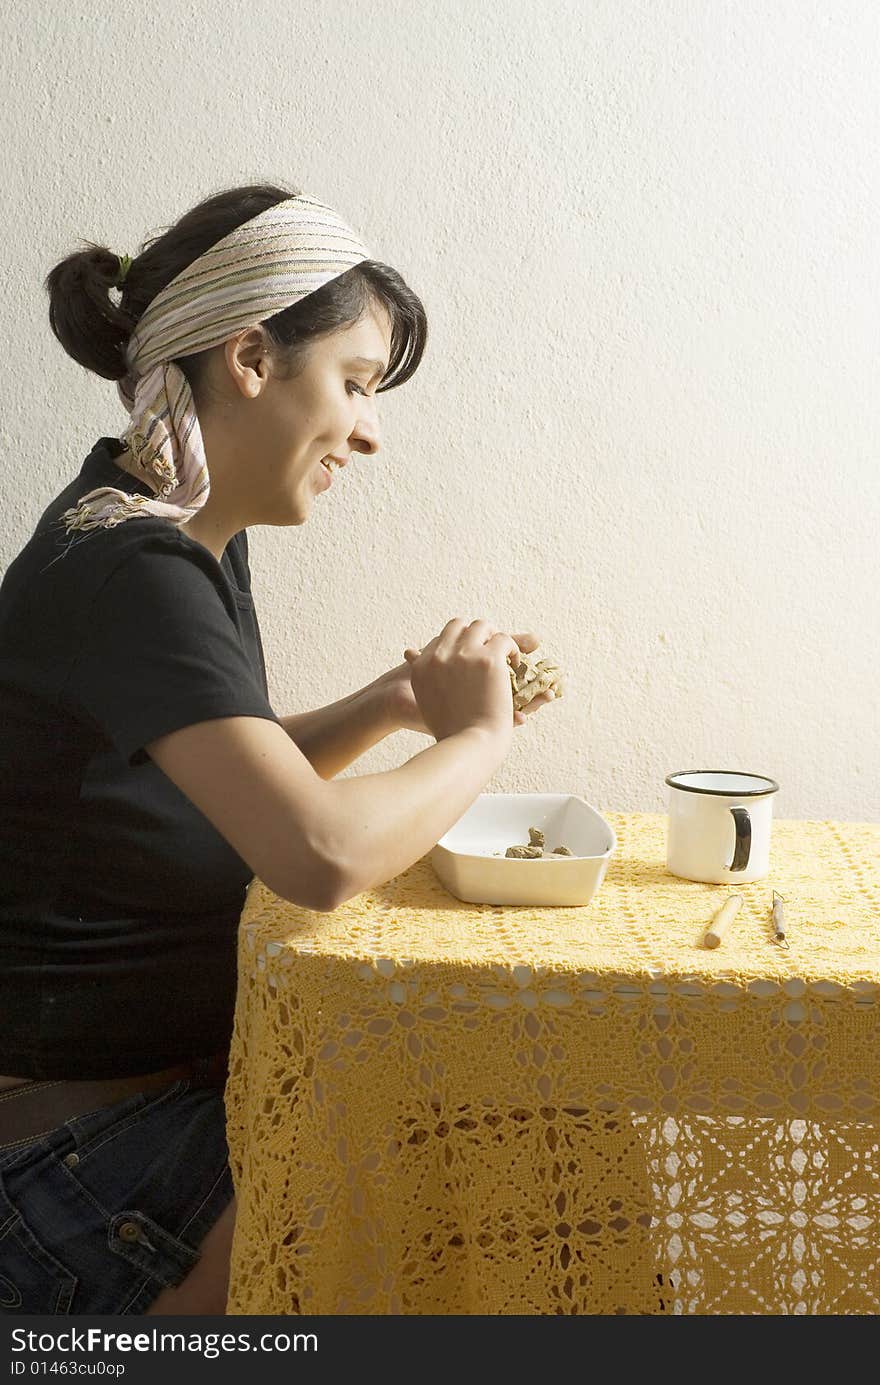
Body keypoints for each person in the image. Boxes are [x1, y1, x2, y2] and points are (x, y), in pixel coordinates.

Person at [0, 182, 555, 1316]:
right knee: (523, 1168)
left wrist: (386, 704)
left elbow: (189, 783)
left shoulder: (158, 531)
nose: (368, 426)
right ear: (251, 357)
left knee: (520, 1125)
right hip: (78, 1155)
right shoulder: (136, 568)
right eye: (352, 382)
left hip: (121, 1111)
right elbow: (315, 852)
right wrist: (480, 733)